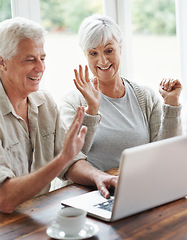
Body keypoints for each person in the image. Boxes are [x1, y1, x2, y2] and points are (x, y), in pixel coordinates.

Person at [0, 17, 117, 213]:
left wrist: (98, 176)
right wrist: (61, 159)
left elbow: (70, 162)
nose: (40, 68)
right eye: (30, 59)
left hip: (39, 216)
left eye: (42, 58)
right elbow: (4, 198)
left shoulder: (45, 103)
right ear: (2, 63)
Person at [60, 15, 182, 179]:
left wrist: (171, 104)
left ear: (120, 48)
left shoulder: (145, 97)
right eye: (93, 53)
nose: (102, 60)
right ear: (85, 55)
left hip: (137, 187)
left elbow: (166, 154)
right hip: (89, 193)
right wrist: (92, 111)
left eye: (109, 51)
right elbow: (70, 159)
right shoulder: (72, 102)